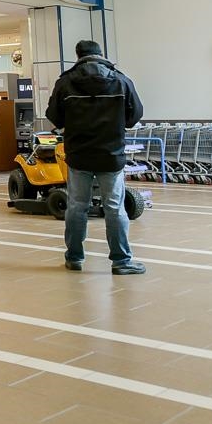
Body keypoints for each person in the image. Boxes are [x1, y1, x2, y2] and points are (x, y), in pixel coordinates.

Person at [46, 40, 146, 275]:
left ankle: (74, 258)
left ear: (78, 56)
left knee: (76, 207)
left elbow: (54, 116)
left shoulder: (65, 82)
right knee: (114, 207)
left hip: (78, 155)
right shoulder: (121, 80)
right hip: (111, 155)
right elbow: (135, 115)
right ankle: (121, 261)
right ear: (101, 54)